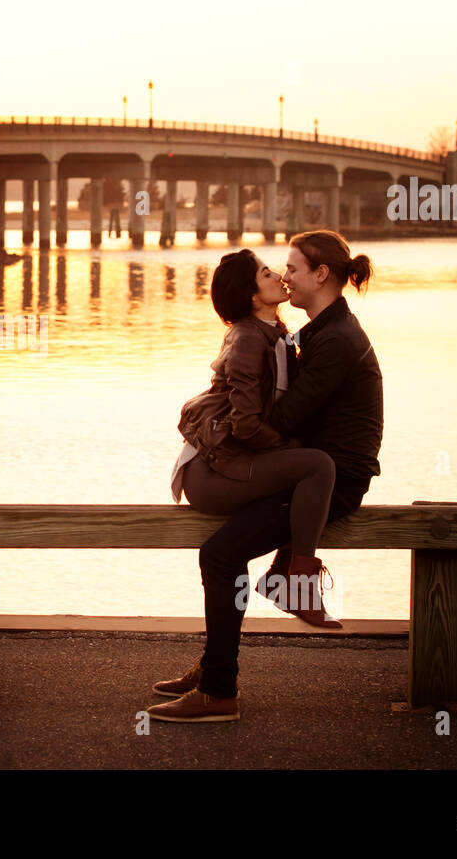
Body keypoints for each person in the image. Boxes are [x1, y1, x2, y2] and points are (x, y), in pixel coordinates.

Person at [149, 229, 382, 723]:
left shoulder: (335, 339)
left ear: (321, 275)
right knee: (222, 553)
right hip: (303, 475)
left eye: (293, 269)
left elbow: (282, 419)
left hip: (329, 481)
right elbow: (271, 406)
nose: (285, 276)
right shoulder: (312, 333)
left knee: (220, 553)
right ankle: (222, 662)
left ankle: (218, 688)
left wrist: (228, 438)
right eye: (278, 270)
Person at [168, 248, 339, 629]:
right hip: (209, 471)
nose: (278, 275)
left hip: (235, 460)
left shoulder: (277, 335)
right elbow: (245, 425)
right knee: (317, 466)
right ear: (250, 294)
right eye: (265, 274)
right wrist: (292, 450)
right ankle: (297, 586)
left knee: (312, 468)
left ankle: (283, 577)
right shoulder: (248, 338)